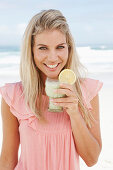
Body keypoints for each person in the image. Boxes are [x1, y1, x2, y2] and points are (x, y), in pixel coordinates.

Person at [0, 9, 103, 170]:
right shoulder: (14, 96)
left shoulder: (87, 92)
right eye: (43, 48)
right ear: (31, 50)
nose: (53, 57)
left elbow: (92, 159)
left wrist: (75, 113)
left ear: (69, 48)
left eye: (60, 47)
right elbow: (7, 160)